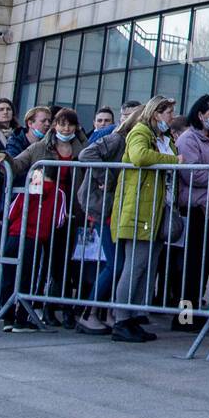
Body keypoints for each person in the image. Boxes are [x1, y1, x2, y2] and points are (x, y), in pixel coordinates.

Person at [0, 107, 88, 326]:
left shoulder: (84, 150)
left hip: (70, 213)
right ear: (55, 126)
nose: (65, 128)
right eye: (61, 123)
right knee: (37, 263)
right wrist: (5, 159)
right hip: (43, 212)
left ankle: (61, 309)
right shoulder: (40, 148)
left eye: (70, 124)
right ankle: (34, 309)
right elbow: (18, 164)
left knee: (62, 265)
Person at [110, 96, 179, 343]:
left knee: (148, 266)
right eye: (169, 112)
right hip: (139, 208)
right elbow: (139, 157)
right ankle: (121, 319)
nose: (172, 117)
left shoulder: (164, 137)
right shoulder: (140, 132)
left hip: (157, 207)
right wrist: (174, 160)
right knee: (135, 265)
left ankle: (136, 315)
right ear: (156, 113)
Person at [77, 105, 138, 333]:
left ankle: (108, 311)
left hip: (117, 206)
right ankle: (88, 312)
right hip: (104, 207)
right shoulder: (116, 139)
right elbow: (86, 154)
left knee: (119, 263)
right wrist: (107, 178)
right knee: (115, 263)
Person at [173, 95, 209, 333]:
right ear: (200, 115)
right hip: (195, 208)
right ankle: (184, 317)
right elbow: (192, 174)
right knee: (191, 267)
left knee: (206, 264)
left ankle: (198, 310)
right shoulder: (188, 139)